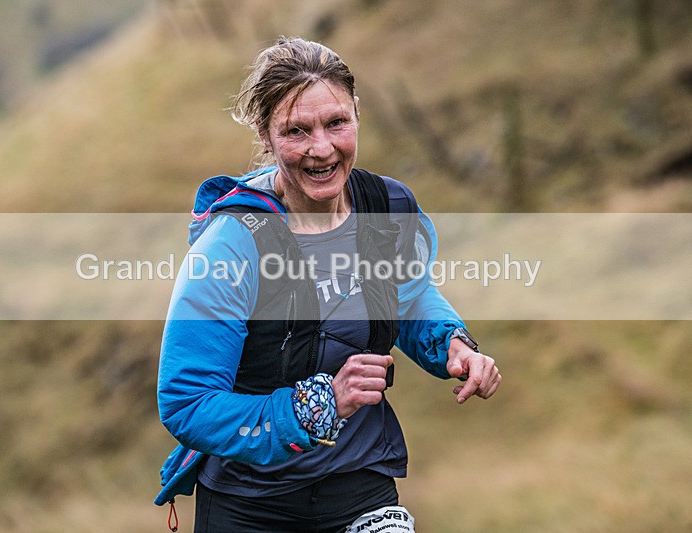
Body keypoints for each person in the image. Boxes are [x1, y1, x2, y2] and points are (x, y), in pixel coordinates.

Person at [155, 36, 501, 533]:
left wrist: (450, 343)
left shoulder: (386, 209)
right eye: (297, 131)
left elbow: (406, 292)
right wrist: (316, 405)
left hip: (359, 484)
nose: (322, 149)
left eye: (336, 122)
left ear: (357, 113)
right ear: (266, 134)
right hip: (251, 504)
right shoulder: (231, 246)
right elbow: (187, 403)